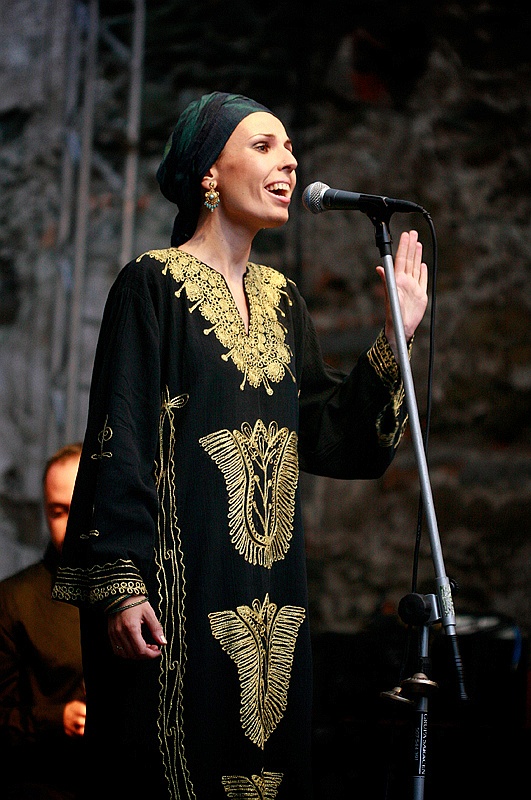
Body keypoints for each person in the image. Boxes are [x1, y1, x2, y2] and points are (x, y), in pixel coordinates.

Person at [52, 91, 428, 799]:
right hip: (177, 592)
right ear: (207, 175)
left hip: (270, 599)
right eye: (262, 146)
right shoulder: (151, 283)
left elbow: (329, 435)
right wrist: (123, 585)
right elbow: (118, 437)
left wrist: (394, 337)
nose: (287, 161)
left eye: (289, 148)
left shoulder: (284, 298)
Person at [0, 442, 85, 799]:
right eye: (59, 511)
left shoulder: (155, 594)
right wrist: (57, 718)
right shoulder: (15, 599)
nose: (74, 523)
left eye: (83, 506)